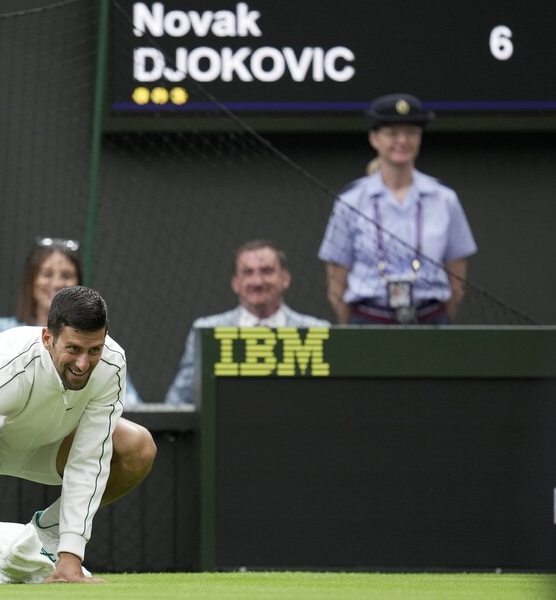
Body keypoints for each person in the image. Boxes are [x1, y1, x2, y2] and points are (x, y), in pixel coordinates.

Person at [0, 285, 156, 584]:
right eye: (73, 349)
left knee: (138, 446)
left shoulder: (111, 364)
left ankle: (50, 531)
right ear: (48, 338)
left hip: (53, 450)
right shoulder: (5, 361)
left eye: (94, 350)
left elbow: (89, 460)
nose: (83, 364)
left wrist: (71, 555)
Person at [318, 93, 477, 325]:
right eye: (392, 133)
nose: (402, 141)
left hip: (431, 321)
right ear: (374, 139)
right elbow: (336, 286)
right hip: (368, 323)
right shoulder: (351, 201)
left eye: (411, 133)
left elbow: (457, 284)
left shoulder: (444, 199)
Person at [0, 236, 143, 406]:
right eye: (47, 274)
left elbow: (128, 402)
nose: (56, 283)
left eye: (66, 275)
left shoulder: (94, 342)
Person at [164, 239, 329, 406]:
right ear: (236, 283)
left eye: (267, 271)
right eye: (248, 273)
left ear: (285, 278)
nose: (257, 282)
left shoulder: (316, 331)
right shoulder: (207, 332)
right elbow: (179, 399)